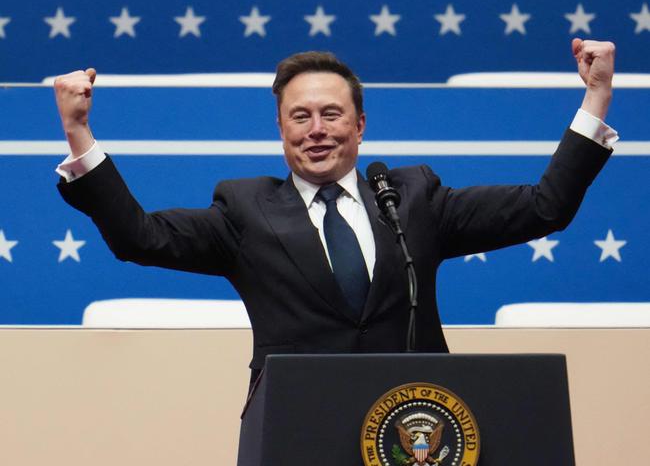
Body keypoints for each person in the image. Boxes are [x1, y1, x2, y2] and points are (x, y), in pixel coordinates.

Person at [54, 39, 617, 388]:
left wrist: (595, 96)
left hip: (415, 427)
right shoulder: (244, 210)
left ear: (360, 125)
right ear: (280, 130)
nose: (316, 129)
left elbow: (546, 206)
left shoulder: (412, 198)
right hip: (296, 428)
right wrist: (79, 132)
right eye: (300, 117)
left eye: (331, 114)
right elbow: (139, 237)